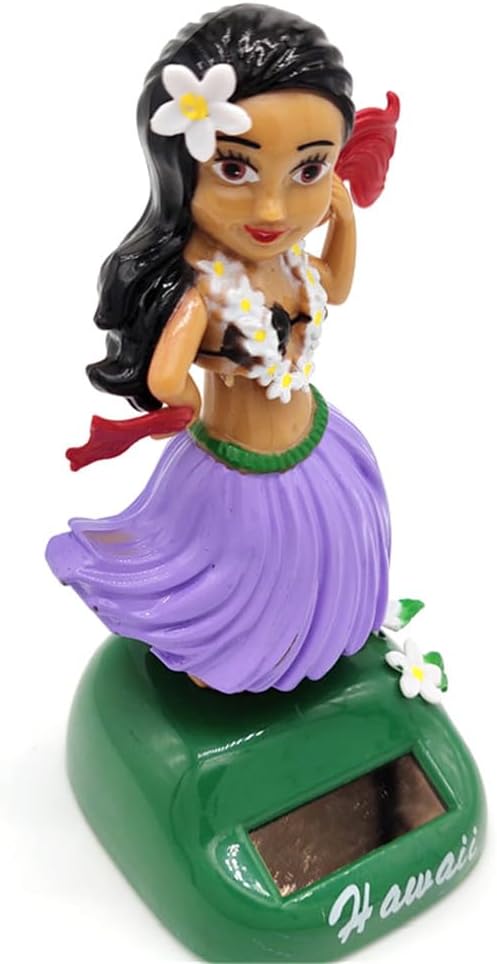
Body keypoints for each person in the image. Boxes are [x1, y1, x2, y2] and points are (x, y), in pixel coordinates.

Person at [46, 3, 398, 693]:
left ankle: (307, 648)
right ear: (183, 168)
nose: (272, 210)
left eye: (307, 170)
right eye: (236, 170)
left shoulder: (289, 266)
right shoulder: (204, 290)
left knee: (326, 555)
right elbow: (166, 377)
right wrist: (201, 378)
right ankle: (231, 662)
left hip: (317, 442)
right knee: (242, 575)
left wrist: (344, 220)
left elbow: (334, 287)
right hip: (239, 470)